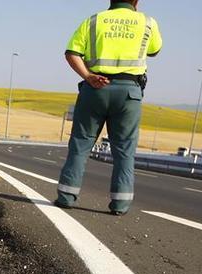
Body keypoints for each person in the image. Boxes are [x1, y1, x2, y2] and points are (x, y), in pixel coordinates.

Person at [55, 0, 163, 215]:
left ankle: (66, 197)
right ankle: (120, 204)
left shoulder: (93, 21)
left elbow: (71, 53)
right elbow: (154, 50)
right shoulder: (148, 22)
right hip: (129, 92)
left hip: (95, 89)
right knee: (124, 150)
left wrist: (88, 76)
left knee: (80, 144)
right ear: (136, 1)